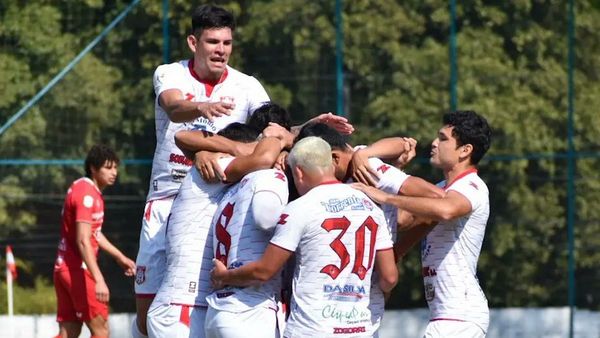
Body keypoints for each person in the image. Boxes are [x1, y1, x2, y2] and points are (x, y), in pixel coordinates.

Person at [134, 4, 272, 336]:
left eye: (226, 43)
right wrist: (202, 107)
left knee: (202, 298)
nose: (221, 50)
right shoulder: (170, 73)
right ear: (193, 43)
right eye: (212, 42)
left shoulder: (248, 86)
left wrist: (309, 128)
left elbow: (272, 128)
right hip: (165, 200)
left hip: (215, 204)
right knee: (148, 310)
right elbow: (174, 107)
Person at [211, 137, 398, 337]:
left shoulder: (300, 208)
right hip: (359, 329)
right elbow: (389, 277)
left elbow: (263, 272)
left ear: (298, 172)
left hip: (312, 329)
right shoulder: (371, 207)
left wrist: (225, 276)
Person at [147, 108, 293, 338]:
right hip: (184, 306)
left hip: (199, 305)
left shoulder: (229, 183)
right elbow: (262, 158)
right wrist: (277, 139)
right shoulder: (216, 164)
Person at [295, 123, 445, 334]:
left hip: (368, 284)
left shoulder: (367, 167)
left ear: (334, 158)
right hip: (343, 282)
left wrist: (366, 155)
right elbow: (399, 219)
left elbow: (435, 198)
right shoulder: (345, 174)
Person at [353, 110, 492, 338]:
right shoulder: (441, 189)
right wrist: (397, 170)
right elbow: (402, 220)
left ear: (465, 151)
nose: (435, 143)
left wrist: (385, 197)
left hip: (459, 316)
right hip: (447, 315)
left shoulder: (472, 187)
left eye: (444, 139)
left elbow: (447, 210)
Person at [53, 144, 136, 338]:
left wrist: (119, 256)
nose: (113, 172)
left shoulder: (86, 190)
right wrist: (98, 279)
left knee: (69, 333)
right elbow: (83, 240)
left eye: (115, 167)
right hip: (77, 270)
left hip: (63, 269)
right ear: (93, 168)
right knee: (101, 330)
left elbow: (94, 233)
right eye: (108, 167)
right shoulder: (86, 194)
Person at [204, 166, 289, 338]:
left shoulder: (230, 189)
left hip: (218, 308)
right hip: (250, 310)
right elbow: (266, 220)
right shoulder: (269, 176)